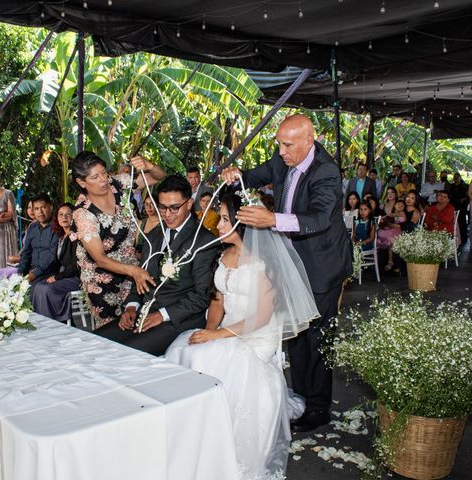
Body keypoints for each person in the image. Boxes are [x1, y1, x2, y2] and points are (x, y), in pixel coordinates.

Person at [165, 192, 319, 480]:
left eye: (224, 219)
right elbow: (217, 302)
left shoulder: (264, 262)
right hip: (229, 330)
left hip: (256, 336)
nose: (219, 225)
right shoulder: (223, 255)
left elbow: (261, 317)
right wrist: (208, 332)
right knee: (187, 350)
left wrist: (218, 336)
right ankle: (197, 442)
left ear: (242, 223)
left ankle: (228, 450)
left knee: (223, 363)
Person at [221, 113, 351, 432]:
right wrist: (236, 175)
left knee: (318, 337)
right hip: (289, 263)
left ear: (310, 140)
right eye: (279, 144)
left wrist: (273, 220)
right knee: (296, 333)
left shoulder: (327, 172)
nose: (281, 151)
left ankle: (319, 408)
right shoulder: (282, 159)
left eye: (288, 145)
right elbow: (253, 176)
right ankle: (301, 397)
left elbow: (319, 218)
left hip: (322, 266)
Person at [96, 174, 219, 355]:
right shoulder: (153, 235)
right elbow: (141, 276)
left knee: (125, 354)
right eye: (162, 208)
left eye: (175, 208)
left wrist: (162, 315)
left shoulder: (204, 241)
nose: (167, 215)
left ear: (190, 204)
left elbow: (202, 296)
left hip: (177, 320)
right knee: (95, 342)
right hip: (143, 313)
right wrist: (132, 307)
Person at [70, 152, 165, 330]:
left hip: (132, 270)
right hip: (101, 281)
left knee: (138, 324)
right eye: (95, 177)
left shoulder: (118, 184)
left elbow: (159, 176)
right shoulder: (83, 213)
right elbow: (100, 258)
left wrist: (149, 165)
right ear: (82, 183)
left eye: (104, 173)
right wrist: (134, 271)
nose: (103, 180)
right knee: (111, 332)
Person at [31, 203, 80, 322]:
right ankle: (42, 322)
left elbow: (75, 265)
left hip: (75, 277)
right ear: (57, 218)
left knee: (46, 289)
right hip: (63, 276)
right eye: (61, 214)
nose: (64, 217)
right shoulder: (61, 238)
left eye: (68, 214)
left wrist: (56, 277)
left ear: (74, 217)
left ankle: (55, 322)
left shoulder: (76, 236)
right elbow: (55, 262)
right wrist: (38, 271)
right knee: (37, 286)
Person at [17, 193, 59, 284]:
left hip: (49, 273)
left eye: (43, 207)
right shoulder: (32, 228)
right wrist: (19, 273)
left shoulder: (57, 227)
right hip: (31, 271)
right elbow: (26, 253)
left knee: (31, 291)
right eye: (36, 209)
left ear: (51, 207)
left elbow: (52, 256)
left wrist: (35, 273)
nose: (40, 212)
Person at [378, 199, 406, 270]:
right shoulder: (391, 214)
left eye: (402, 205)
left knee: (390, 238)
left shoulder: (401, 213)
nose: (400, 206)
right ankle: (382, 260)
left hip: (397, 231)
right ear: (394, 205)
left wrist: (386, 217)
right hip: (390, 229)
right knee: (381, 234)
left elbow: (395, 218)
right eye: (398, 204)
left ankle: (390, 261)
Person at [448, 172, 469, 244]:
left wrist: (463, 199)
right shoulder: (451, 186)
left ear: (460, 177)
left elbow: (468, 196)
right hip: (453, 205)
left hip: (462, 206)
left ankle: (463, 238)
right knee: (453, 221)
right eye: (455, 177)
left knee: (461, 221)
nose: (456, 178)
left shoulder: (465, 186)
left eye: (457, 177)